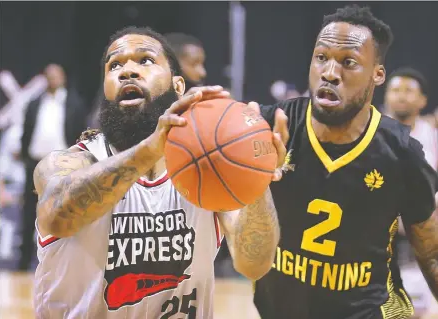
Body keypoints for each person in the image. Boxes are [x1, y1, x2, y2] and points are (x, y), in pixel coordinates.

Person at [33, 26, 285, 318]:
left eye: (145, 61)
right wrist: (150, 149)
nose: (127, 71)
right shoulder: (70, 162)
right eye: (115, 65)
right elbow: (57, 217)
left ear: (179, 86)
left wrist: (255, 177)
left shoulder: (210, 173)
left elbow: (254, 264)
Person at [254, 5, 438, 319]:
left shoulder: (400, 152)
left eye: (348, 62)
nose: (330, 72)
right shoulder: (274, 124)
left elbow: (434, 255)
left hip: (370, 310)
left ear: (377, 75)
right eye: (321, 57)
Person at [384, 67, 438, 315]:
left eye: (408, 90)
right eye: (395, 90)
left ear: (423, 100)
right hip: (376, 238)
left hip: (419, 241)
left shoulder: (435, 139)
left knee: (414, 311)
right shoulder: (367, 132)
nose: (401, 96)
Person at [19, 64, 87, 271]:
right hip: (35, 163)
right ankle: (23, 262)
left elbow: (79, 134)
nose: (52, 79)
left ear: (63, 78)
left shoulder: (74, 103)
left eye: (56, 76)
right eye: (49, 76)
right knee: (30, 212)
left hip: (62, 166)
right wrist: (23, 155)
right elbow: (27, 130)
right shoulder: (35, 102)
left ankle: (63, 262)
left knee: (62, 212)